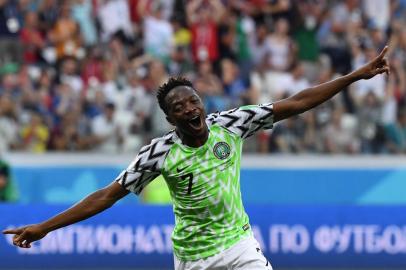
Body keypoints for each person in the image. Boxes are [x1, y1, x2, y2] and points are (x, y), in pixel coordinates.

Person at [2, 46, 390, 270]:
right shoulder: (158, 152)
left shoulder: (232, 124)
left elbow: (297, 103)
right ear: (170, 118)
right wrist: (45, 227)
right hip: (194, 259)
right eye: (179, 106)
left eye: (193, 100)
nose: (190, 108)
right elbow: (106, 195)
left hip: (240, 247)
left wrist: (355, 76)